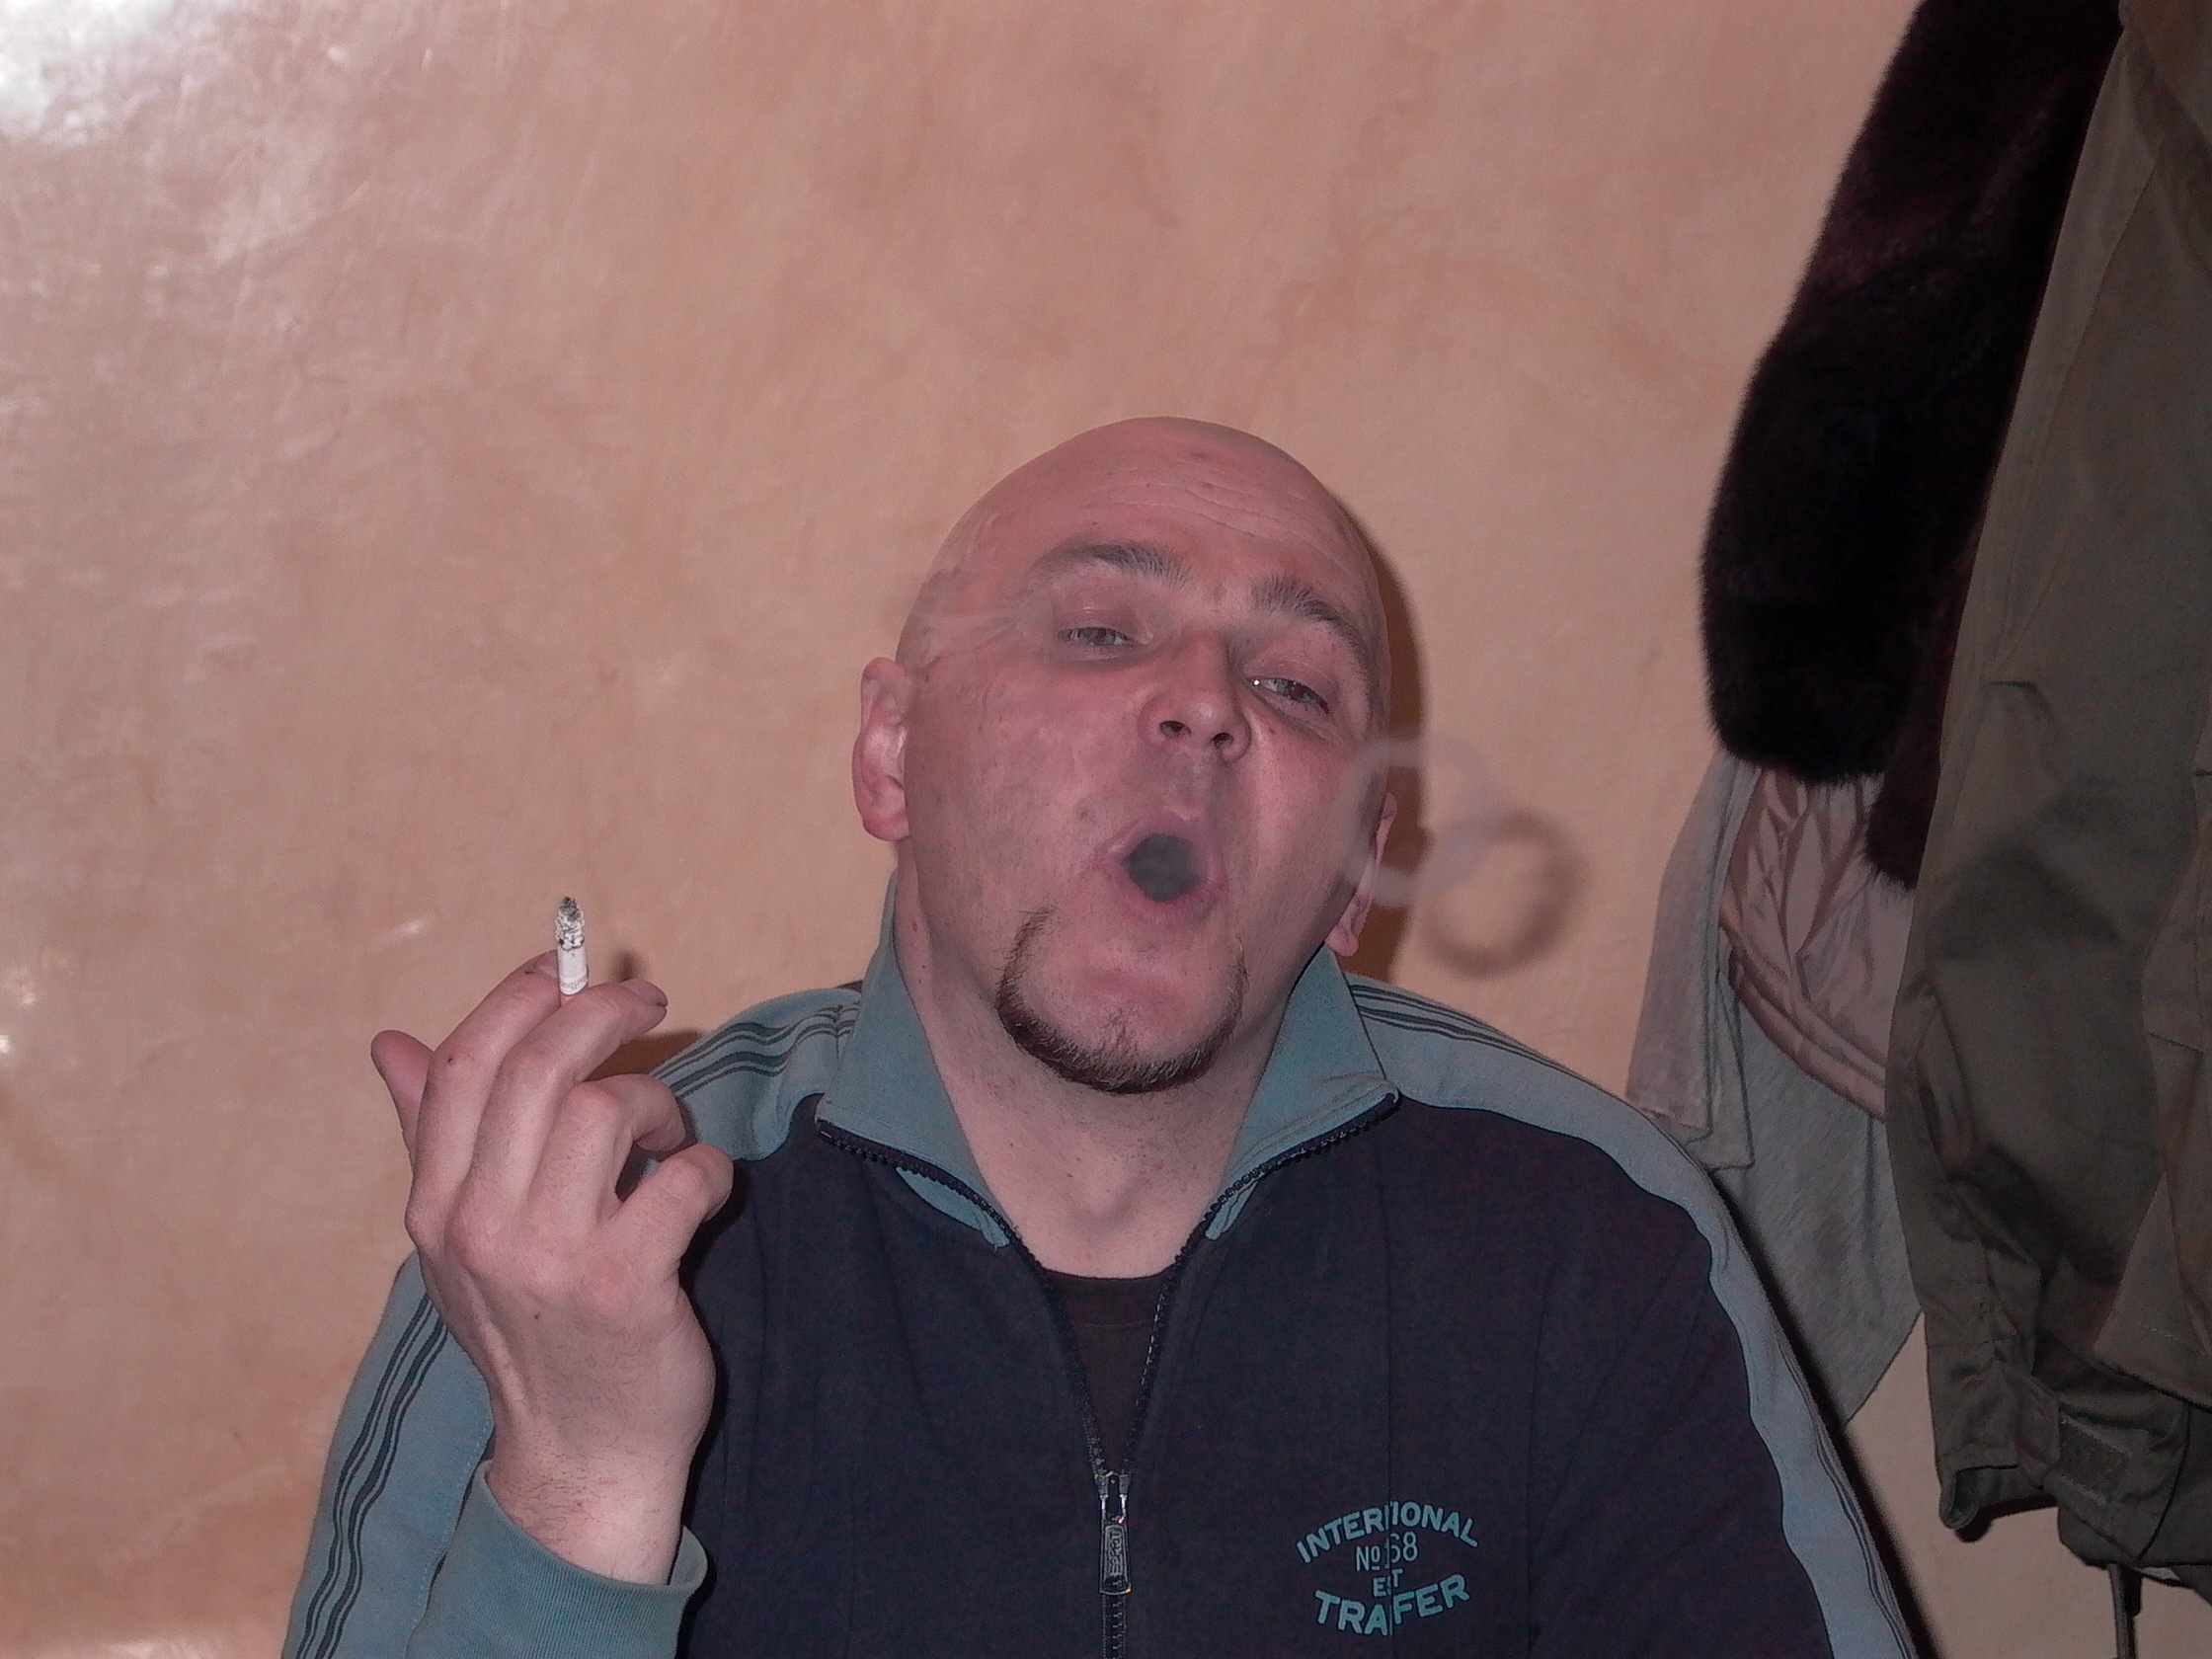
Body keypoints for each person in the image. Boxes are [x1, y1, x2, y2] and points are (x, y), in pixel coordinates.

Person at [285, 419, 1909, 1658]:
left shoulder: (1592, 1235)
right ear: (893, 757)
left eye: (1296, 685)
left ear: (1358, 871)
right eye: (1101, 633)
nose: (1205, 704)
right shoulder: (583, 1251)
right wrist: (582, 1483)